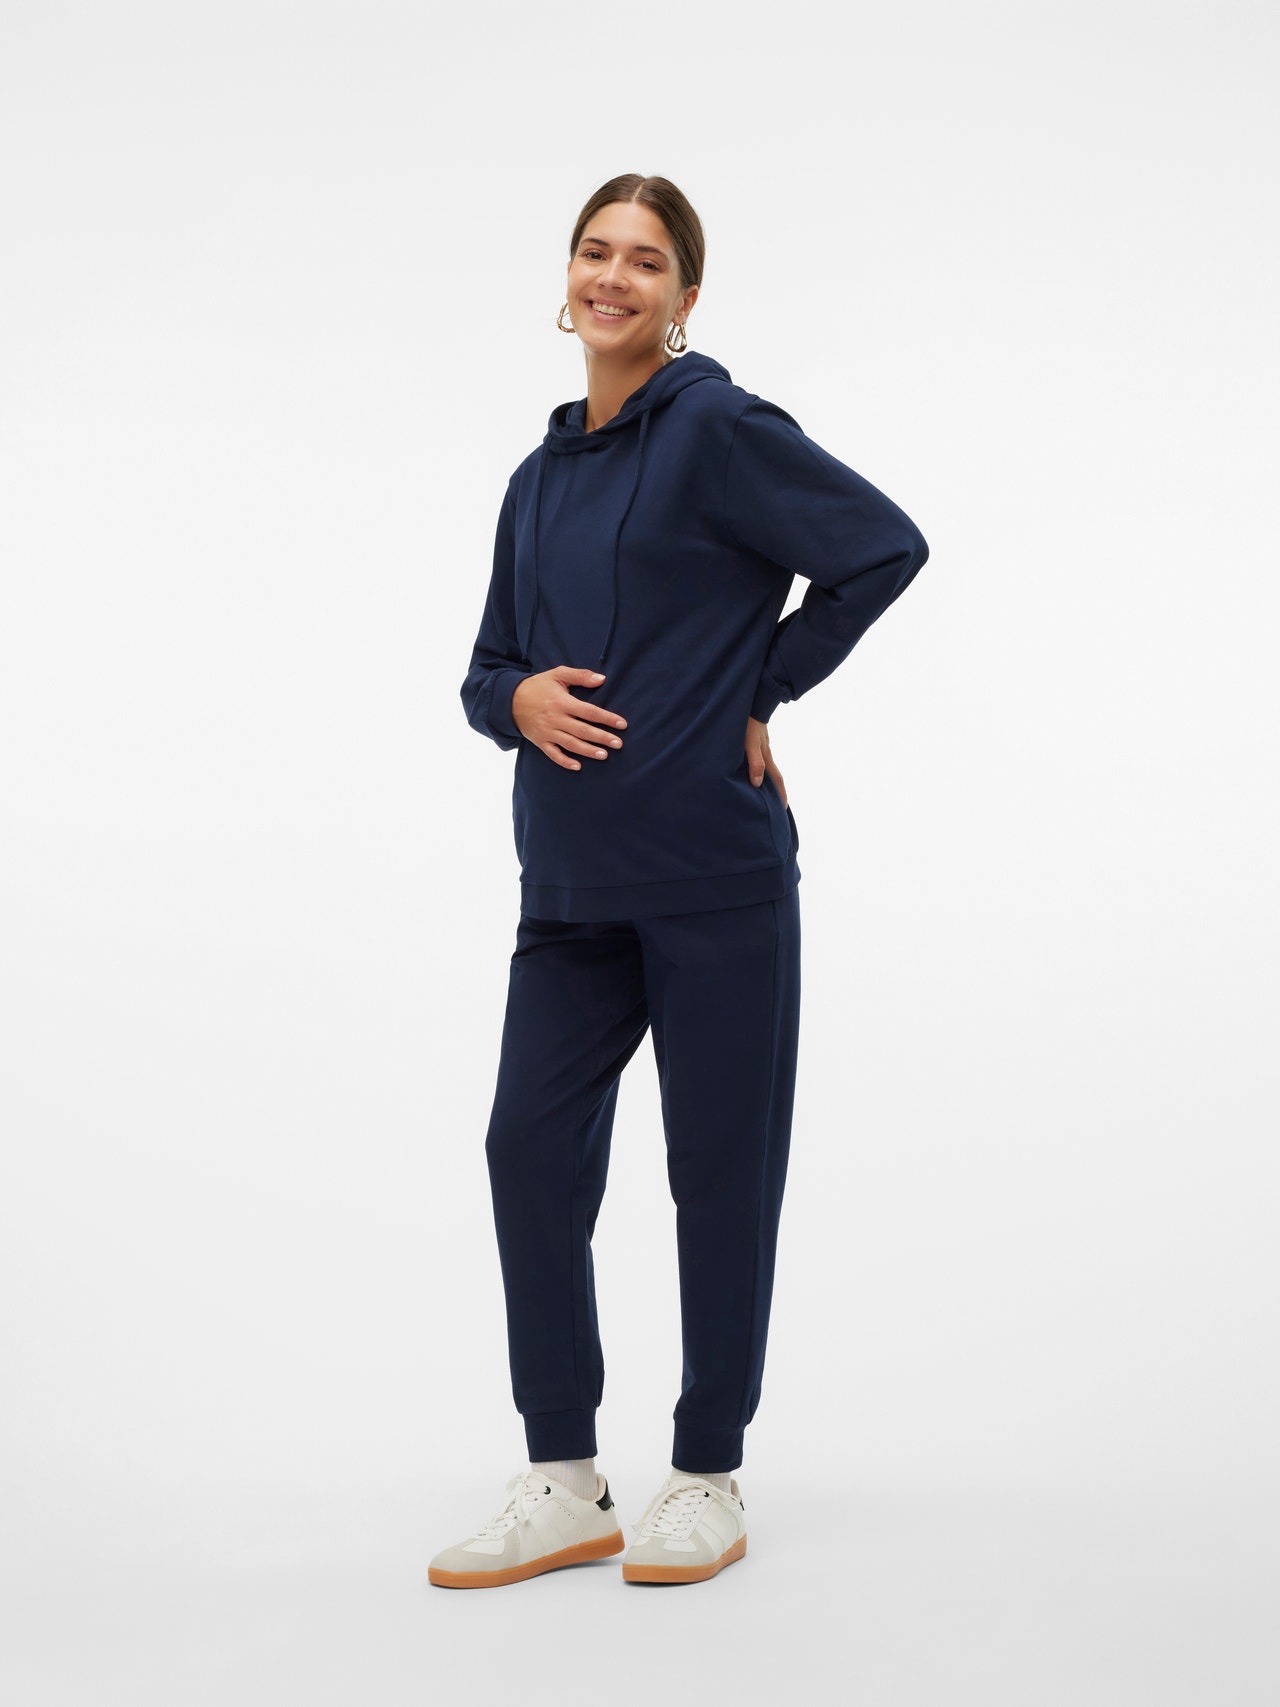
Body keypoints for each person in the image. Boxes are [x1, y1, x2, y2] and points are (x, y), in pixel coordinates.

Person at [430, 174, 929, 1590]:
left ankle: (707, 1473)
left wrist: (760, 689)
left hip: (715, 877)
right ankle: (564, 1478)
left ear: (685, 297)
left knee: (717, 1173)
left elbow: (882, 547)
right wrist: (518, 699)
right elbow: (482, 672)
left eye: (645, 262)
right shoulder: (535, 480)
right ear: (567, 279)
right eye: (594, 253)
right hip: (568, 889)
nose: (613, 278)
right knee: (528, 1152)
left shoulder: (719, 428)